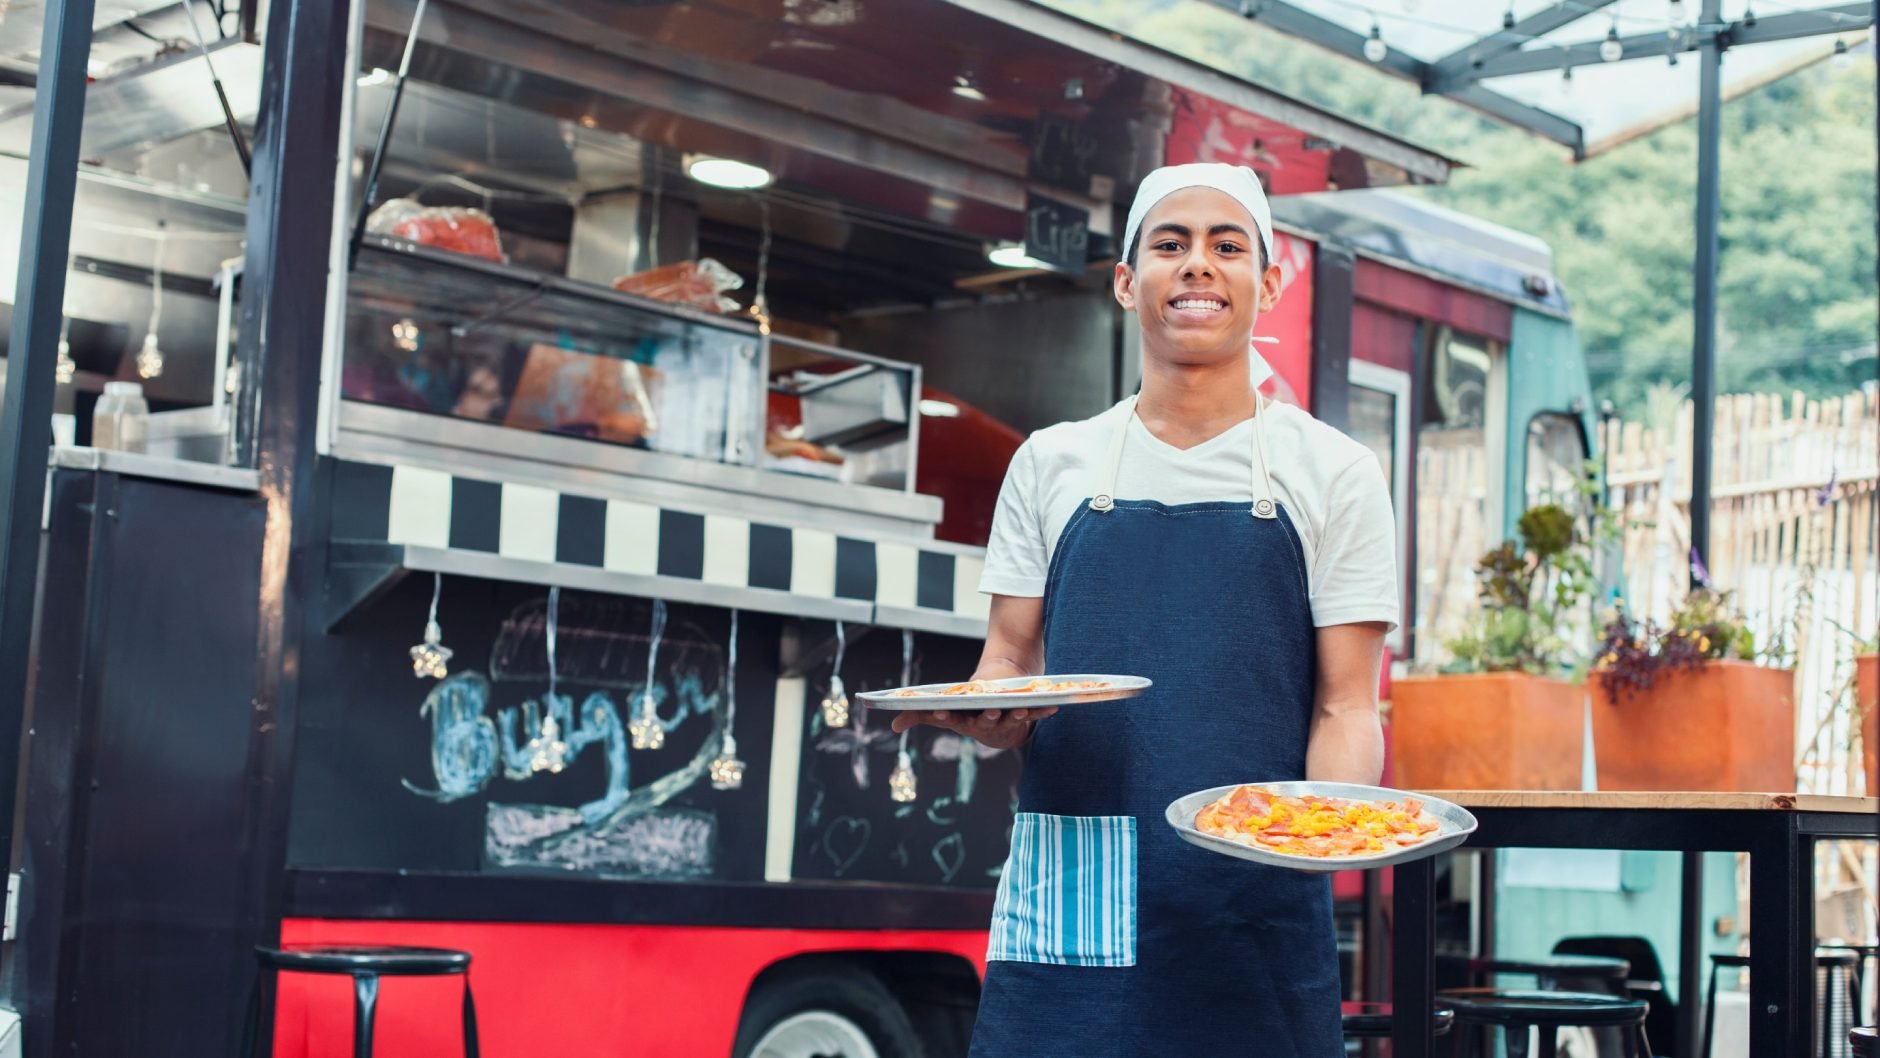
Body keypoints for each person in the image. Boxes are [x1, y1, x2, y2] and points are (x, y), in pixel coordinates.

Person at [891, 163, 1399, 1056]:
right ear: (1128, 283)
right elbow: (1006, 660)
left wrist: (1322, 830)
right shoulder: (1051, 463)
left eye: (1227, 246)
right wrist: (993, 716)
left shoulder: (1336, 473)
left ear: (1269, 284)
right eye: (1171, 244)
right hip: (1074, 883)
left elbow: (1345, 706)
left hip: (1257, 896)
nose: (1197, 263)